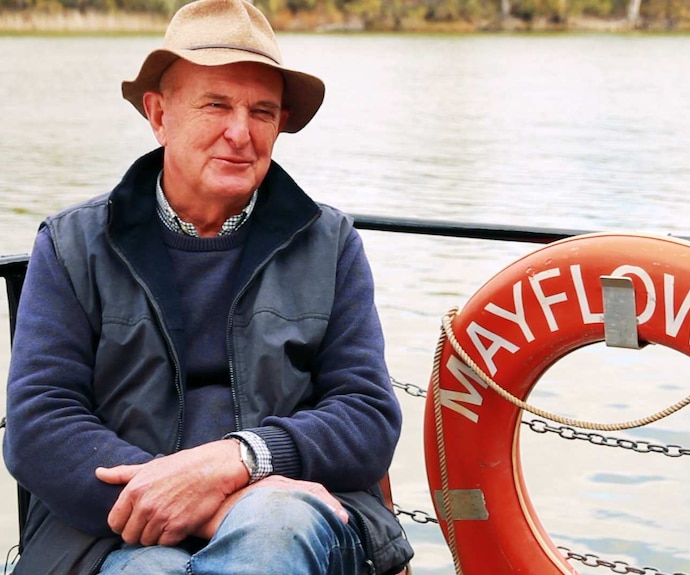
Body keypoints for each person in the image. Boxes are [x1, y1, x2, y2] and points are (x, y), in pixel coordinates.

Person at [2, 0, 413, 573]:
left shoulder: (330, 244)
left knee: (275, 529)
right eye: (216, 104)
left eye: (263, 111)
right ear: (158, 114)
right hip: (109, 532)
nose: (240, 133)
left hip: (301, 517)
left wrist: (238, 464)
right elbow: (41, 426)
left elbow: (366, 415)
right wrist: (204, 506)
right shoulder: (73, 246)